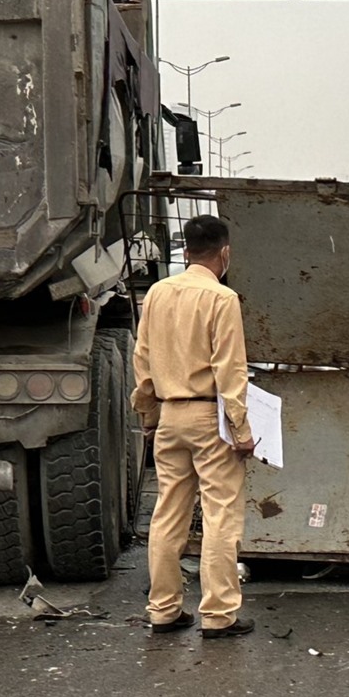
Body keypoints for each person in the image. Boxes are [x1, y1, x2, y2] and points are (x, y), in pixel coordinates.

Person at [132, 214, 257, 639]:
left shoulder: (156, 294)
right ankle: (219, 616)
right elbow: (231, 370)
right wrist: (240, 431)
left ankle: (164, 610)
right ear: (225, 253)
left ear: (185, 251)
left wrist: (149, 416)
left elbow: (142, 361)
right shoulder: (222, 299)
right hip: (209, 417)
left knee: (168, 513)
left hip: (169, 415)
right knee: (221, 515)